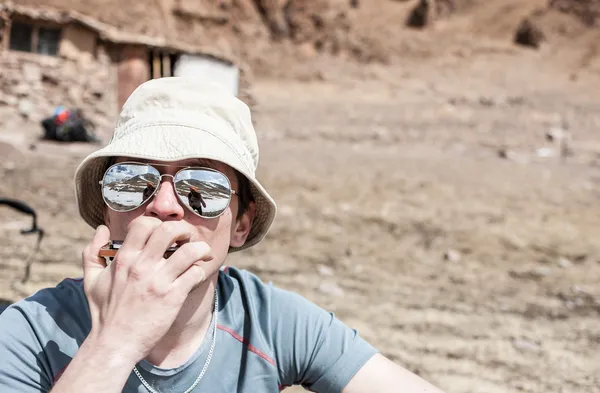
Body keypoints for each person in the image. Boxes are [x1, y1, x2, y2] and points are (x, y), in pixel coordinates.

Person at [0, 78, 445, 393]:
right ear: (107, 210)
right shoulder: (31, 333)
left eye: (203, 188)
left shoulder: (270, 322)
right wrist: (115, 342)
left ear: (241, 224)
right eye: (132, 180)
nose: (164, 204)